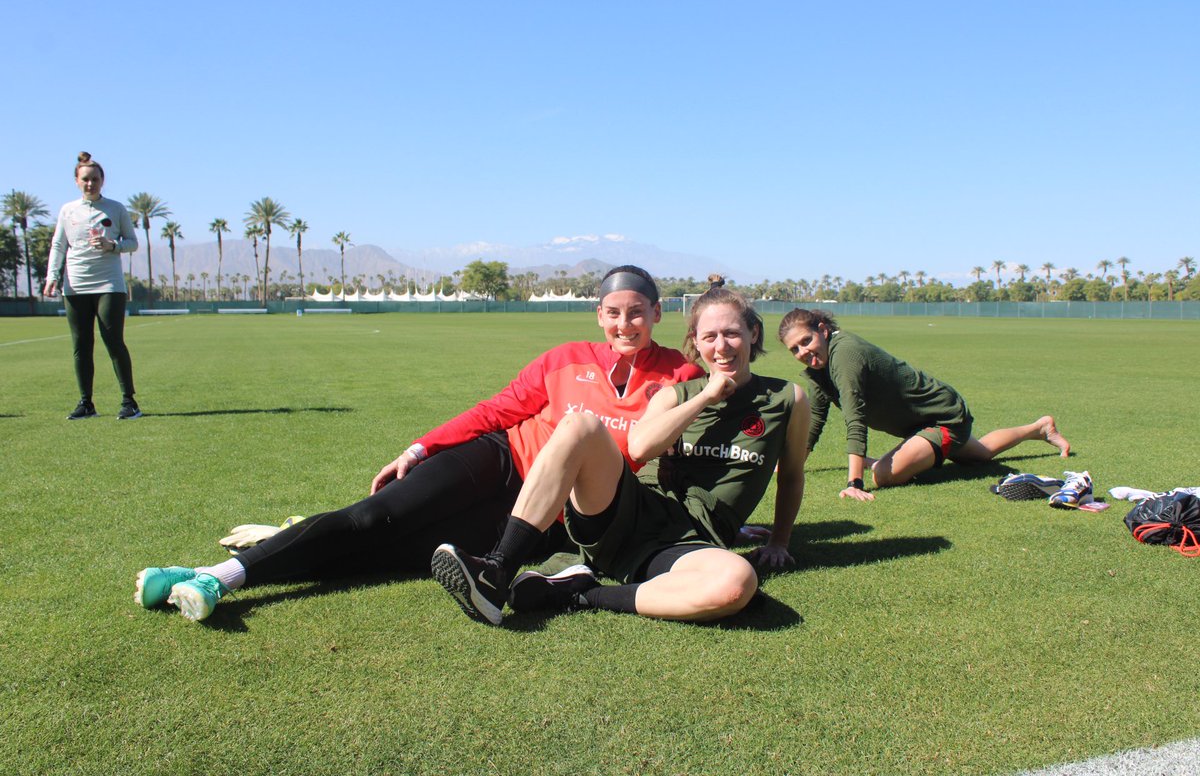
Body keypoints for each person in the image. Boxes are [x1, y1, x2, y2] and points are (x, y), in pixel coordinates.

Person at [134, 266, 705, 621]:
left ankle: (247, 557)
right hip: (500, 463)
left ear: (657, 313)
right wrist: (420, 448)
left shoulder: (678, 375)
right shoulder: (564, 358)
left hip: (546, 515)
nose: (625, 324)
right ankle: (213, 577)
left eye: (637, 313)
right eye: (613, 313)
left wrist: (709, 524)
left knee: (396, 556)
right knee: (374, 519)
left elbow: (679, 452)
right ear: (598, 315)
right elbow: (497, 410)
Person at [431, 288, 810, 625]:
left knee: (736, 583)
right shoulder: (677, 393)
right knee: (581, 425)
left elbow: (791, 476)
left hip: (688, 543)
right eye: (709, 336)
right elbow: (640, 448)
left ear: (752, 334)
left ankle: (579, 593)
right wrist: (707, 396)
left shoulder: (787, 399)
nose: (722, 346)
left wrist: (779, 541)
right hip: (631, 512)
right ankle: (497, 570)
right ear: (696, 341)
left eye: (731, 333)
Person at [777, 308, 1070, 502]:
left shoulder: (845, 354)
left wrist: (855, 482)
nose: (804, 352)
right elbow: (815, 418)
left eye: (806, 340)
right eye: (795, 349)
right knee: (980, 455)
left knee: (884, 475)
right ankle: (1038, 427)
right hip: (919, 424)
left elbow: (855, 417)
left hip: (942, 417)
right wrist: (793, 465)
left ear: (823, 330)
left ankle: (883, 462)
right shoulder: (818, 368)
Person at [44, 152, 142, 420]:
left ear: (103, 180)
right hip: (75, 285)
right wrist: (52, 275)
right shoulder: (67, 210)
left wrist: (114, 246)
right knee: (81, 344)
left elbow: (132, 242)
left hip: (109, 284)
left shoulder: (116, 208)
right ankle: (86, 403)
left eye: (95, 179)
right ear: (76, 181)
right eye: (85, 179)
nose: (91, 184)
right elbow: (58, 245)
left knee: (113, 341)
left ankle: (129, 402)